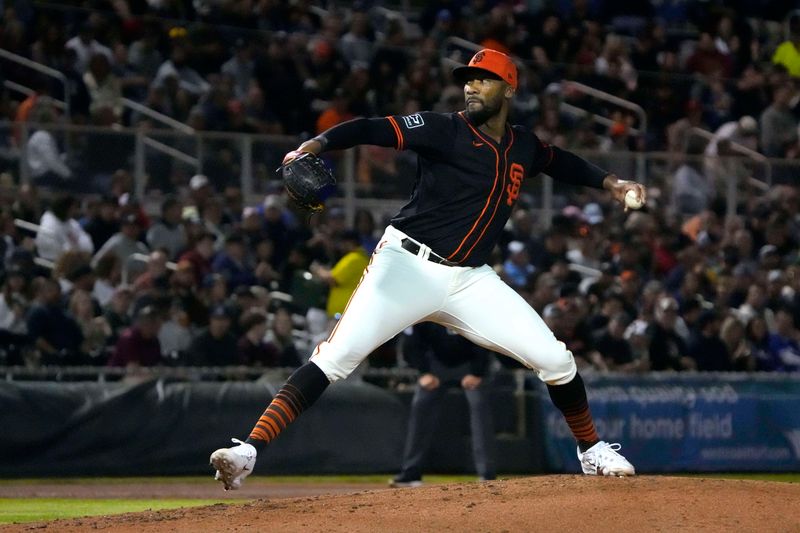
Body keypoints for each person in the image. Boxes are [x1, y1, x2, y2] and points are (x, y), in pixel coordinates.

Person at [210, 49, 642, 490]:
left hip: (470, 279)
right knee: (334, 359)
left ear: (509, 89)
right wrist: (314, 145)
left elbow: (559, 161)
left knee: (556, 358)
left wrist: (613, 183)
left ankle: (590, 451)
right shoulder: (443, 129)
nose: (471, 86)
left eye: (484, 79)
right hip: (406, 267)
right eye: (468, 79)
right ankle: (248, 450)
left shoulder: (522, 145)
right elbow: (371, 128)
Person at [390, 323, 496, 487]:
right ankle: (411, 472)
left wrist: (477, 372)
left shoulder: (466, 305)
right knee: (420, 404)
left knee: (479, 405)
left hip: (470, 362)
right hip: (436, 364)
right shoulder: (427, 307)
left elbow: (484, 339)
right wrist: (423, 372)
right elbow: (412, 343)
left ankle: (487, 473)